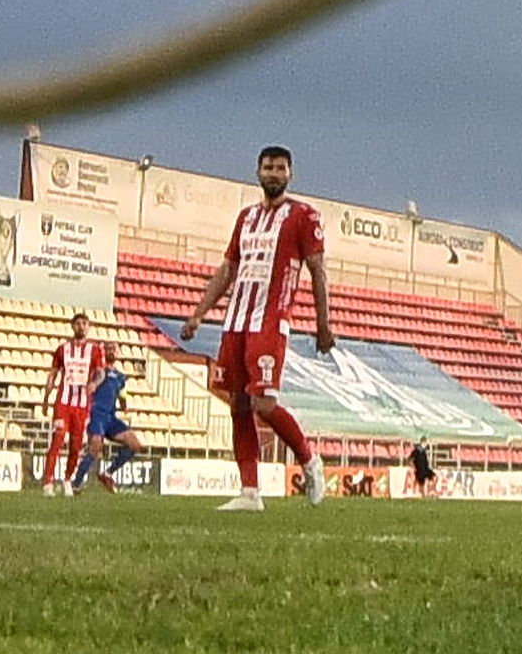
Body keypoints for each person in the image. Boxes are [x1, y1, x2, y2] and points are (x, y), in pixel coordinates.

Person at [178, 144, 335, 513]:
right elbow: (228, 270)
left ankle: (310, 461)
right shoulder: (246, 217)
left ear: (290, 174)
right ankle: (250, 492)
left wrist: (323, 323)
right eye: (268, 167)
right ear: (258, 172)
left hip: (270, 320)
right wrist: (199, 313)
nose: (274, 174)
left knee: (264, 403)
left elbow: (318, 270)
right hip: (236, 321)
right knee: (239, 404)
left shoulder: (304, 216)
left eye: (281, 168)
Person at [40, 312, 110, 496]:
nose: (81, 326)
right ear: (72, 326)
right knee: (57, 439)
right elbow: (53, 374)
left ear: (88, 327)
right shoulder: (63, 349)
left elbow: (101, 373)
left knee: (76, 445)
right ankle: (47, 482)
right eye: (78, 323)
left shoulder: (95, 350)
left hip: (82, 405)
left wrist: (94, 383)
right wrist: (46, 399)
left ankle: (67, 479)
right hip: (63, 403)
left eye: (85, 323)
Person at [72, 357, 147, 493]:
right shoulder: (98, 371)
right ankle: (75, 485)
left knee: (135, 444)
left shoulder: (120, 377)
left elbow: (122, 396)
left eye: (113, 348)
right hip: (97, 415)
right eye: (108, 348)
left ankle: (107, 474)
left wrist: (125, 407)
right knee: (95, 449)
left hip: (111, 418)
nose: (111, 350)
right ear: (104, 352)